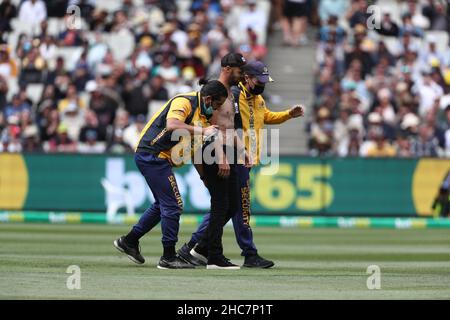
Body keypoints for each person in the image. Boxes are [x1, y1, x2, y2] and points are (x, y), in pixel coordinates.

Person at [179, 60, 305, 268]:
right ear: (247, 78)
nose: (262, 84)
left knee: (226, 207)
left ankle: (196, 247)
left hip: (244, 157)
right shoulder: (233, 96)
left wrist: (288, 115)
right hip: (234, 156)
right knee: (240, 208)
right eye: (259, 80)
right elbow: (225, 127)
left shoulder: (258, 99)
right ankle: (248, 253)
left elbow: (266, 117)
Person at [113, 80, 227, 269]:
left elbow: (195, 151)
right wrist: (203, 130)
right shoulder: (185, 102)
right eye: (216, 105)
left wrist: (204, 177)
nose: (217, 110)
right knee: (173, 205)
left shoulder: (203, 118)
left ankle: (129, 241)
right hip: (152, 154)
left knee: (162, 205)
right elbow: (173, 124)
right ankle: (168, 256)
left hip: (159, 158)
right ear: (208, 99)